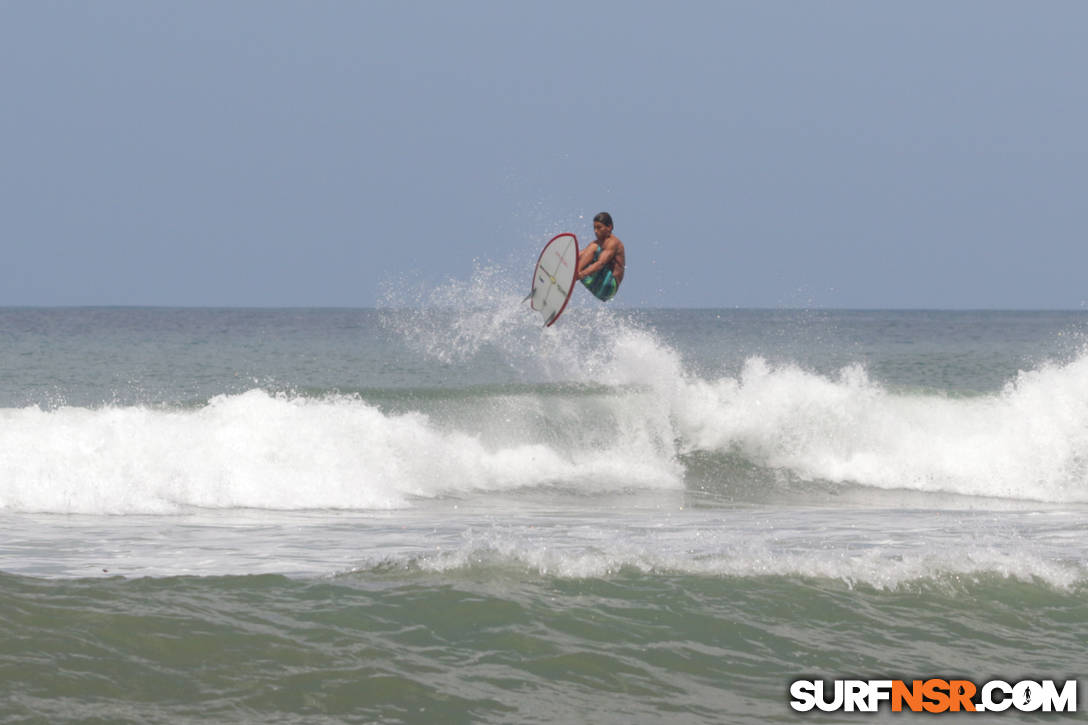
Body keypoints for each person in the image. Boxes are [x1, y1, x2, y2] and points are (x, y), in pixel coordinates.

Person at [576, 212, 626, 301]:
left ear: (609, 227)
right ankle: (571, 275)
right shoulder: (598, 243)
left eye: (599, 227)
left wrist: (581, 275)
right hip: (599, 287)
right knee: (586, 253)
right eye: (594, 228)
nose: (595, 231)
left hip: (609, 286)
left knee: (593, 248)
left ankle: (575, 275)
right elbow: (580, 255)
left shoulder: (613, 243)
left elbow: (600, 263)